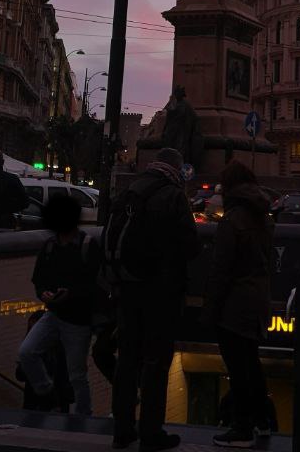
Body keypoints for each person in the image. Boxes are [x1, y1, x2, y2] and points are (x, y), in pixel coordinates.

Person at [107, 147, 200, 451]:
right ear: (176, 168)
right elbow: (190, 244)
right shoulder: (174, 195)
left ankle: (122, 428)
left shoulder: (130, 190)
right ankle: (151, 432)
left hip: (127, 286)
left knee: (127, 359)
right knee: (156, 362)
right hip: (160, 290)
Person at [204, 161, 274, 449]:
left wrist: (210, 311)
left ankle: (241, 428)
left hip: (235, 302)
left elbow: (221, 269)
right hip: (258, 297)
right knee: (251, 363)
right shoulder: (263, 216)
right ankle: (264, 421)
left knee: (239, 367)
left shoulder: (233, 219)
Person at [19, 194, 99, 414]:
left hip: (70, 317)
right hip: (67, 316)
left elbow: (39, 278)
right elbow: (94, 284)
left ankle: (52, 397)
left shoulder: (52, 246)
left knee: (34, 355)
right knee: (74, 373)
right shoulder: (82, 246)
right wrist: (51, 293)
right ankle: (80, 413)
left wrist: (45, 293)